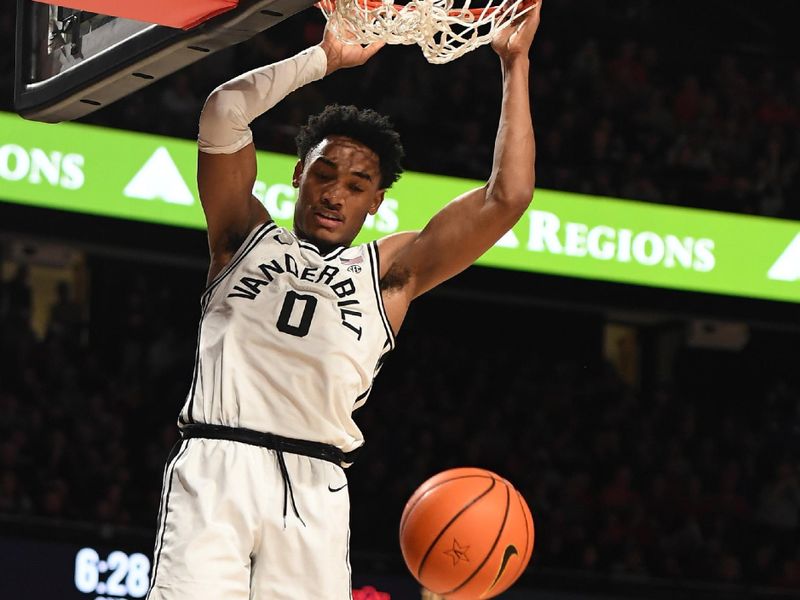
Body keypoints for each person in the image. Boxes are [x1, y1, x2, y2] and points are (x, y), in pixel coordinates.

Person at [146, 2, 542, 598]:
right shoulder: (239, 237)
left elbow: (507, 197)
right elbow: (225, 111)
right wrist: (324, 59)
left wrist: (515, 64)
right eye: (323, 174)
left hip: (317, 486)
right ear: (297, 175)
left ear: (375, 203)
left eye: (357, 185)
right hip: (216, 463)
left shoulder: (389, 274)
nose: (335, 193)